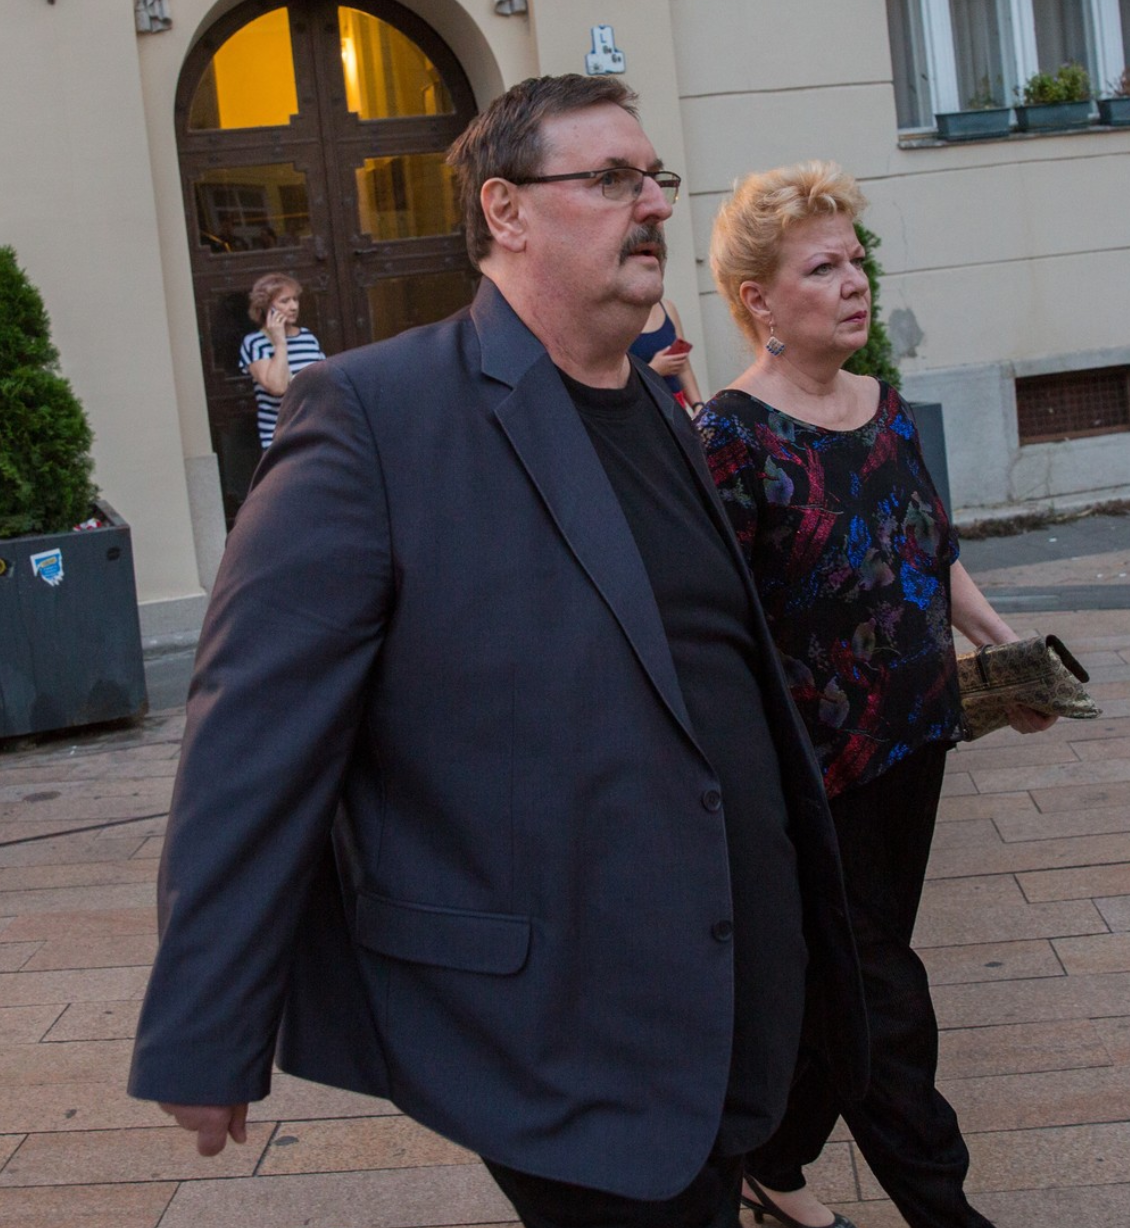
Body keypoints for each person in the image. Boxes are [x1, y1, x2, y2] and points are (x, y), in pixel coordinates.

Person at [128, 75, 866, 1228]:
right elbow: (251, 738)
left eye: (655, 178)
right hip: (560, 1028)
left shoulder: (661, 410)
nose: (654, 204)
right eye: (610, 178)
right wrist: (203, 1026)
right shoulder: (375, 416)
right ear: (505, 210)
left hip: (724, 996)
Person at [697, 161, 1053, 1228]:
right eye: (822, 268)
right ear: (759, 300)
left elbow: (930, 552)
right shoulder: (729, 437)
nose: (854, 282)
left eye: (856, 261)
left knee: (840, 985)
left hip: (915, 744)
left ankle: (768, 1163)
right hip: (811, 777)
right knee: (882, 994)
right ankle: (946, 1209)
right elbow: (711, 622)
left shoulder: (884, 409)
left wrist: (1007, 654)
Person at [239, 272, 325, 449]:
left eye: (295, 299)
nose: (293, 306)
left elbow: (324, 382)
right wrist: (280, 342)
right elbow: (277, 387)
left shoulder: (307, 337)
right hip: (280, 439)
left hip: (317, 431)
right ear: (266, 307)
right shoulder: (255, 342)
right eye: (284, 301)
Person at [632, 298, 704, 410]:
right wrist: (654, 370)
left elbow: (683, 367)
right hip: (643, 409)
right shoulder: (618, 315)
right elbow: (615, 380)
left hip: (674, 407)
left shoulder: (667, 307)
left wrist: (698, 405)